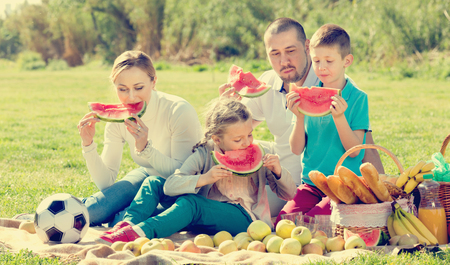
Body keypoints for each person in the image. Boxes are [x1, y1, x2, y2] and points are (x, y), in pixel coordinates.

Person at [219, 17, 384, 216]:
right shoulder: (267, 82)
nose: (284, 61)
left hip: (325, 182)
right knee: (232, 203)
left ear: (307, 47)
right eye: (275, 54)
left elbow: (365, 148)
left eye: (290, 51)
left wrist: (382, 198)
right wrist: (227, 106)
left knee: (296, 219)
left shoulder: (338, 86)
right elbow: (237, 131)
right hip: (287, 180)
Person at [94, 99, 296, 245]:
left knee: (191, 204)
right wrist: (205, 178)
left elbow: (288, 194)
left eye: (250, 135)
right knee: (153, 182)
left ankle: (139, 233)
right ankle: (127, 225)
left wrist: (278, 172)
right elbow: (170, 185)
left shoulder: (260, 154)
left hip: (246, 218)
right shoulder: (205, 153)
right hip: (206, 216)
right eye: (238, 139)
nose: (247, 143)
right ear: (217, 139)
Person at [78, 50, 202, 226]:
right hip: (145, 176)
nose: (131, 97)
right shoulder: (117, 119)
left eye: (138, 88)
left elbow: (182, 175)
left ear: (153, 82)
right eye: (122, 89)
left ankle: (127, 213)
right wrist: (88, 144)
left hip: (181, 189)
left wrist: (146, 149)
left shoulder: (178, 110)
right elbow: (106, 183)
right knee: (91, 212)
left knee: (121, 223)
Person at [276, 23, 370, 224]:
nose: (322, 67)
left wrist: (339, 118)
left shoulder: (358, 98)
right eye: (316, 60)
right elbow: (296, 148)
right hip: (310, 184)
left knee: (313, 224)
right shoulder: (307, 93)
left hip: (342, 186)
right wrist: (299, 116)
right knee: (281, 224)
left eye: (329, 60)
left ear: (347, 61)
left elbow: (355, 151)